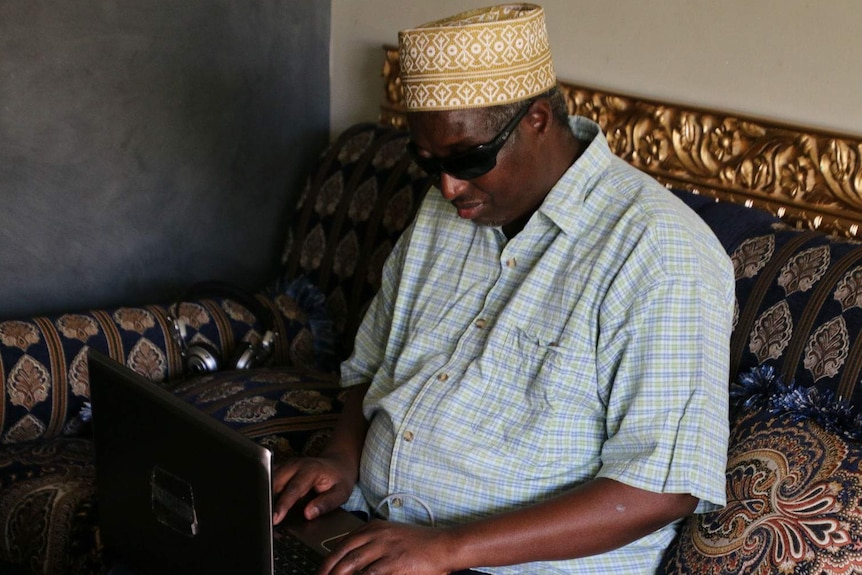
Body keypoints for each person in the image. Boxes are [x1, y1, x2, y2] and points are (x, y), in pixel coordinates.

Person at [272, 4, 735, 574]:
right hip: (380, 536)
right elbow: (373, 365)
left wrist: (448, 549)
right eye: (428, 163)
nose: (448, 186)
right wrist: (341, 458)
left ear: (538, 118)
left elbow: (663, 486)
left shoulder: (660, 251)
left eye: (469, 158)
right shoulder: (450, 210)